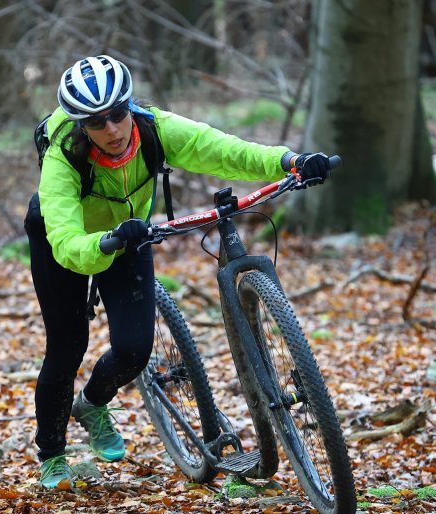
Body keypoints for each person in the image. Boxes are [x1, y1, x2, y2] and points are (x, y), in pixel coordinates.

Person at [23, 54, 331, 488]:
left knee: (134, 349)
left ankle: (92, 404)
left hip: (130, 232)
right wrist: (106, 243)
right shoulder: (63, 158)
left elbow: (222, 149)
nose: (111, 129)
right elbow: (66, 239)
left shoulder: (155, 129)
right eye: (96, 122)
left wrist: (289, 161)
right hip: (68, 243)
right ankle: (52, 453)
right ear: (80, 125)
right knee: (67, 346)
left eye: (117, 115)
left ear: (129, 107)